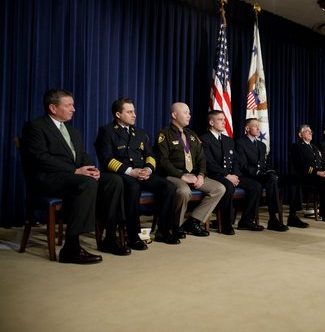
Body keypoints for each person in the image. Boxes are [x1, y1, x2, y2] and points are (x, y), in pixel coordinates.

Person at [21, 88, 125, 263]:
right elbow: (40, 157)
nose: (73, 109)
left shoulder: (73, 131)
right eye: (68, 105)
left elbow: (82, 155)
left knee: (113, 180)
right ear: (53, 108)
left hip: (73, 178)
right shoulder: (35, 127)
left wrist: (92, 168)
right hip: (48, 179)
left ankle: (110, 238)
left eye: (73, 105)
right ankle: (71, 247)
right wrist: (74, 171)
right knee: (86, 183)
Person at [95, 97, 180, 248]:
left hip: (142, 172)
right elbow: (106, 160)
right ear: (118, 115)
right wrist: (130, 171)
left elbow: (150, 155)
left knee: (169, 187)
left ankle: (163, 231)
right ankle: (133, 236)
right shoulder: (107, 131)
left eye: (134, 111)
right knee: (133, 187)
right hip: (121, 174)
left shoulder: (139, 132)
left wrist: (148, 169)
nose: (134, 115)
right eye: (129, 112)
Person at [154, 102, 225, 237]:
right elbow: (163, 162)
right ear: (174, 115)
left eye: (189, 113)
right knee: (184, 191)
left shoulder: (192, 135)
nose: (189, 116)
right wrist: (182, 176)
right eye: (185, 113)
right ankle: (176, 225)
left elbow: (202, 159)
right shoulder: (164, 135)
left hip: (193, 175)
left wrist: (201, 175)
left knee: (219, 188)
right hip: (173, 175)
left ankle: (193, 221)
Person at [201, 111, 263, 234]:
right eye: (220, 120)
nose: (224, 122)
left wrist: (235, 174)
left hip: (232, 175)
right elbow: (209, 163)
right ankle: (226, 224)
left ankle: (246, 221)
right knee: (228, 187)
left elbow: (235, 160)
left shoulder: (228, 140)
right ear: (211, 122)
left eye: (224, 119)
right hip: (215, 175)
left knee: (256, 186)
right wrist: (227, 175)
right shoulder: (205, 139)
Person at [235, 118, 289, 231]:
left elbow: (264, 164)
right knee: (263, 183)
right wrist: (259, 173)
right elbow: (243, 166)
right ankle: (267, 219)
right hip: (247, 175)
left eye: (258, 126)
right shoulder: (240, 143)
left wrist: (270, 171)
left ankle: (273, 218)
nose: (258, 128)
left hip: (260, 175)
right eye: (255, 126)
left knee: (275, 177)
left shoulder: (261, 145)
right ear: (247, 128)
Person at [289, 124, 325, 226]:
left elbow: (322, 162)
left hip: (316, 175)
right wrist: (317, 172)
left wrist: (324, 171)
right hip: (305, 176)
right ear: (300, 134)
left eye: (311, 131)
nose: (311, 133)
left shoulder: (314, 147)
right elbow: (301, 165)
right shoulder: (297, 146)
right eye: (307, 131)